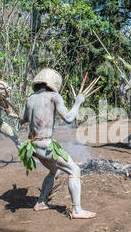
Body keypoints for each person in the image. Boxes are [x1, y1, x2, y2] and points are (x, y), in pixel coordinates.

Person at [19, 67, 96, 219]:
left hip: (31, 145)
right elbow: (68, 118)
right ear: (54, 83)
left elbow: (22, 120)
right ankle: (77, 210)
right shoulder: (54, 96)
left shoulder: (30, 99)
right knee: (75, 170)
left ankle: (41, 202)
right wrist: (78, 102)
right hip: (45, 144)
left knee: (54, 171)